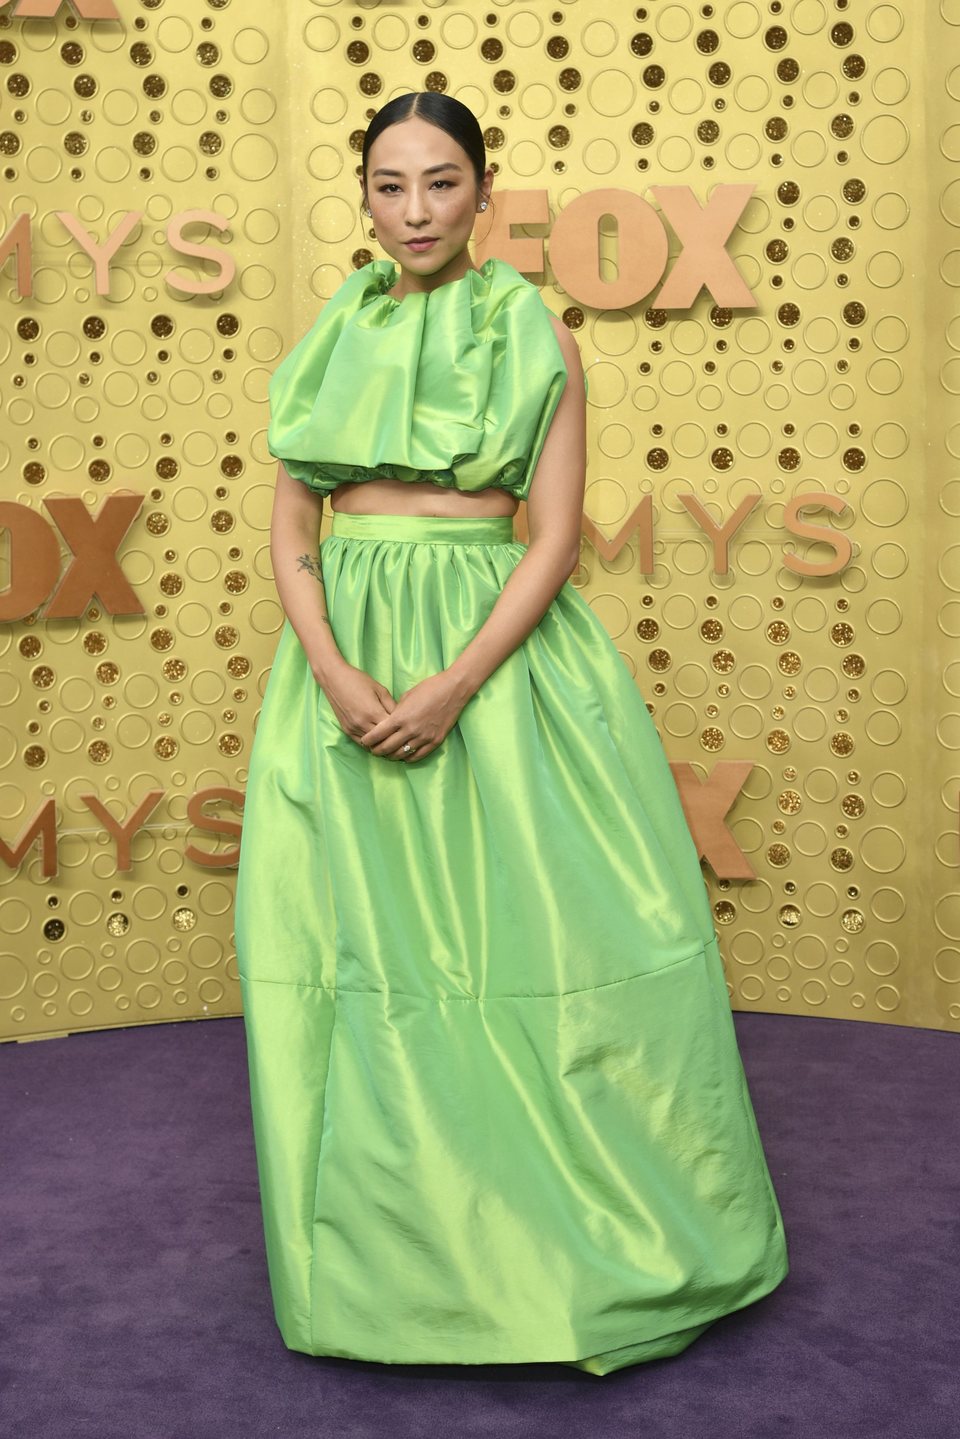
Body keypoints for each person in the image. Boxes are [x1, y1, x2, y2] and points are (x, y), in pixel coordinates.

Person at [234, 90, 789, 1377]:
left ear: (486, 187)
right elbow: (293, 526)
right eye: (388, 185)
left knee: (528, 946)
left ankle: (556, 1248)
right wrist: (331, 665)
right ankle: (398, 1266)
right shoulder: (332, 331)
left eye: (439, 183)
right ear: (361, 194)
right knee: (362, 961)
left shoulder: (530, 323)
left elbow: (550, 536)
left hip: (493, 662)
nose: (414, 210)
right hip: (343, 668)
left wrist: (451, 685)